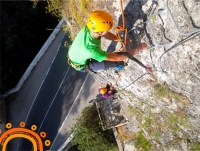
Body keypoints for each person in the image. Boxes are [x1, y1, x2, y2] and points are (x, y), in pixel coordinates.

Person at [68, 10, 147, 72]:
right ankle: (117, 67)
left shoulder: (91, 27)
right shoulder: (91, 50)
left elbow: (106, 34)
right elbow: (116, 58)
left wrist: (121, 40)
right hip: (82, 65)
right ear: (100, 32)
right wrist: (138, 49)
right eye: (107, 30)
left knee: (107, 58)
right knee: (116, 63)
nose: (108, 31)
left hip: (76, 54)